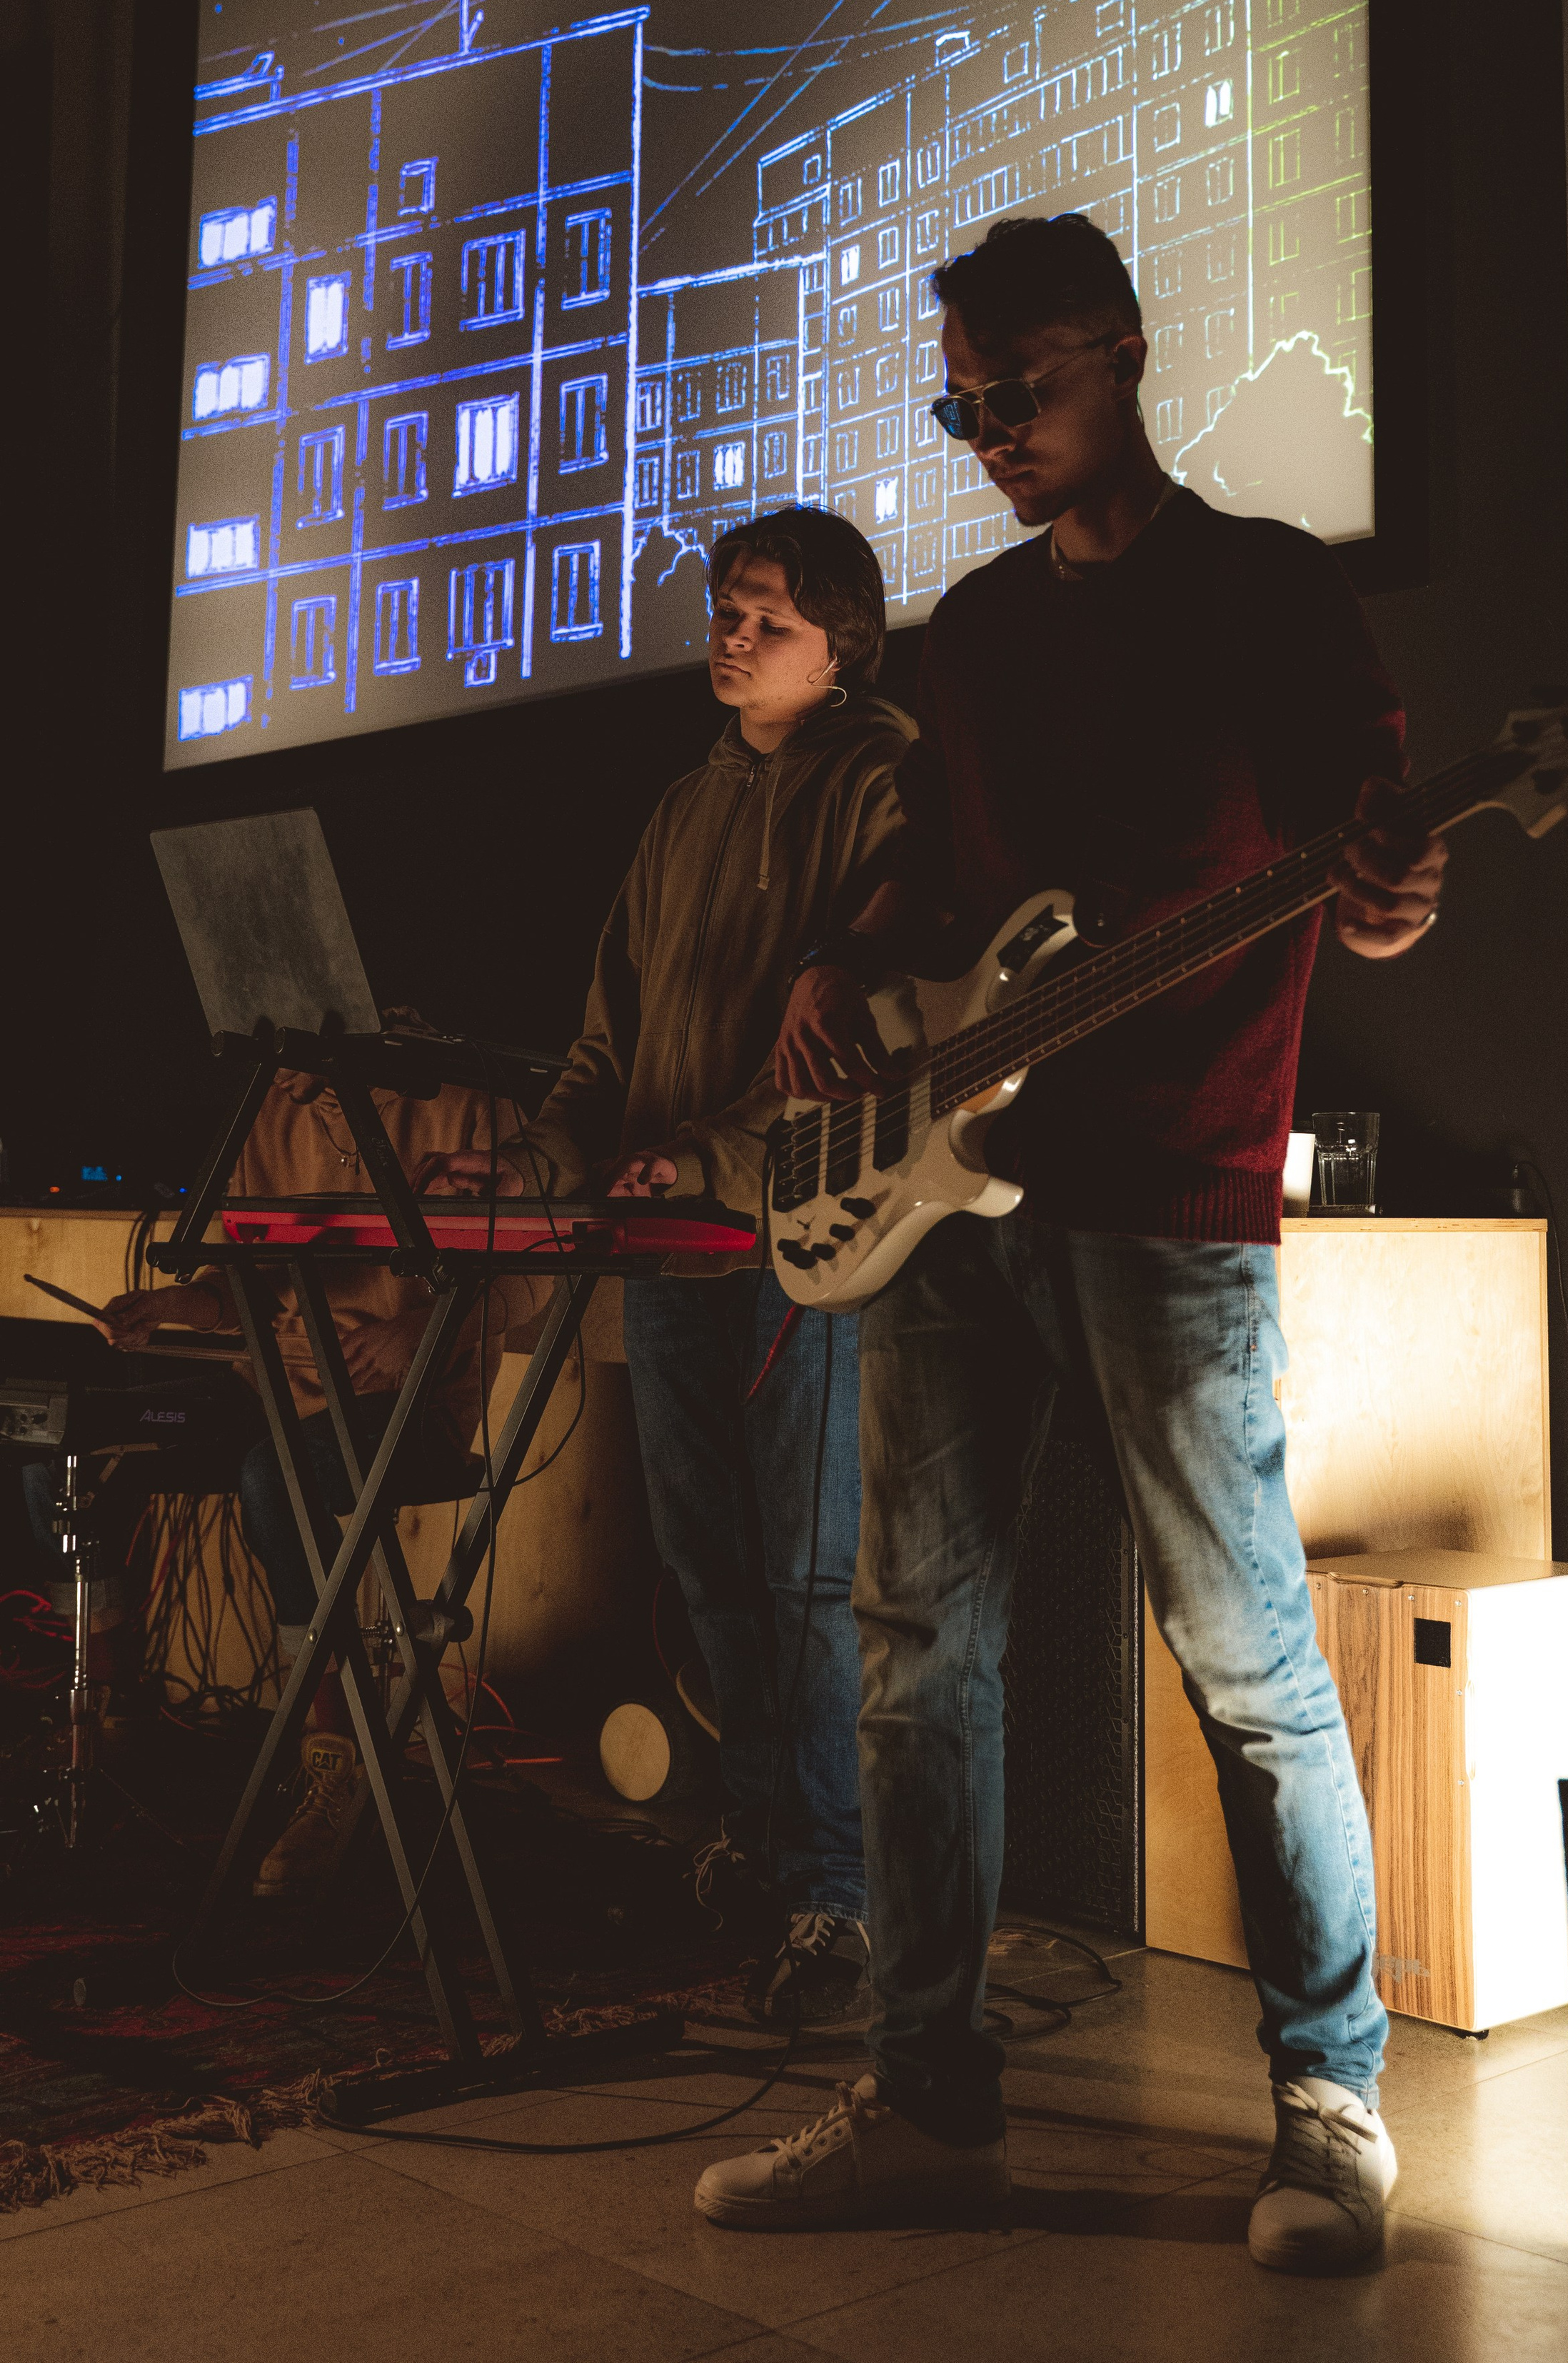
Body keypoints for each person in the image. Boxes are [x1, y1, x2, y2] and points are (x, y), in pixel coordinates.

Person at [695, 215, 1447, 2267]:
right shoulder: (973, 629)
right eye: (959, 400)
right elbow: (945, 885)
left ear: (1123, 352)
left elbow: (1369, 843)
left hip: (1174, 1187)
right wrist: (845, 967)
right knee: (918, 1652)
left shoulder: (1268, 589)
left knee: (1247, 1659)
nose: (987, 432)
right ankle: (928, 2096)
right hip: (958, 1197)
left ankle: (1328, 2102)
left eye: (1014, 390)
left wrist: (1390, 895)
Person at [419, 507, 910, 2027]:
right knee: (709, 1579)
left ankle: (836, 1895)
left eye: (766, 613)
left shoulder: (888, 787)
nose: (732, 631)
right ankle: (761, 1854)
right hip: (664, 1252)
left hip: (802, 1249)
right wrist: (536, 1163)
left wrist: (704, 1158)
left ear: (841, 642)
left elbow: (877, 1029)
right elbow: (599, 1055)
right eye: (724, 606)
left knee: (807, 1581)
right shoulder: (678, 813)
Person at [31, 1030, 529, 1895]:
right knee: (59, 1450)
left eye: (302, 1058)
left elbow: (542, 1270)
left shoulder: (468, 1103)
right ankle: (117, 1707)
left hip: (409, 1406)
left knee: (277, 1480)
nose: (288, 1080)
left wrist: (422, 1333)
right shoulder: (275, 1108)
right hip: (271, 1385)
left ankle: (334, 1756)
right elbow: (244, 1290)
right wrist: (174, 1305)